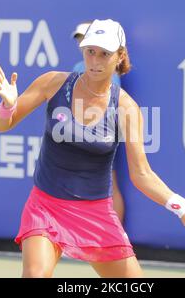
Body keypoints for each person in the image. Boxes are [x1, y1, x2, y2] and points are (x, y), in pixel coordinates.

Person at [0, 19, 185, 278]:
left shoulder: (126, 108)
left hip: (96, 214)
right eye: (90, 51)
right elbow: (3, 125)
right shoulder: (52, 83)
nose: (95, 60)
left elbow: (142, 175)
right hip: (45, 207)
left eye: (105, 54)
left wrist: (181, 206)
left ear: (120, 56)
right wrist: (8, 106)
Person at [71, 21, 125, 223]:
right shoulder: (80, 67)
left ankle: (115, 234)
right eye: (79, 39)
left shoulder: (106, 71)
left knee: (109, 182)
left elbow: (106, 102)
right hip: (87, 131)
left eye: (83, 38)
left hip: (101, 132)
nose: (81, 42)